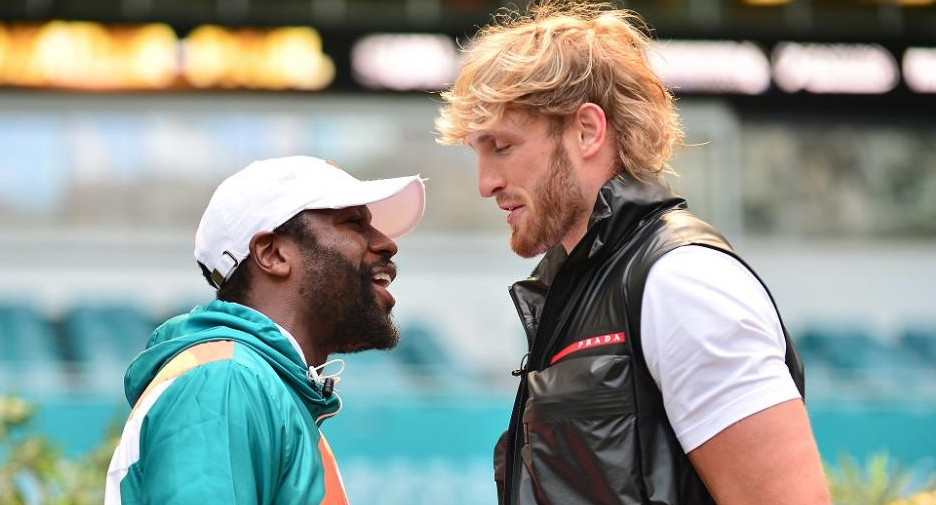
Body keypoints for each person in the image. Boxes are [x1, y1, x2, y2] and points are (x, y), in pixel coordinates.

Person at [436, 2, 829, 504]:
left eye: (503, 147)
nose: (485, 183)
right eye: (478, 152)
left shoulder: (682, 281)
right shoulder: (582, 287)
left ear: (587, 130)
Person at [104, 155, 425, 504]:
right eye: (353, 223)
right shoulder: (224, 381)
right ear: (272, 254)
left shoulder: (261, 388)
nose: (386, 243)